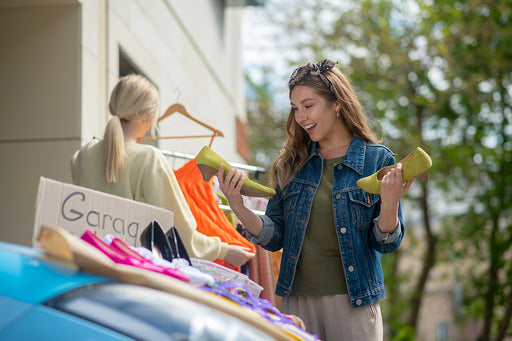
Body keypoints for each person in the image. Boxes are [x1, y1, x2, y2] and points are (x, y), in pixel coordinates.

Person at [216, 59, 414, 340]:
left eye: (308, 106)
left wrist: (391, 203)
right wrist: (238, 206)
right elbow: (274, 237)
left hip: (354, 302)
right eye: (295, 109)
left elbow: (386, 242)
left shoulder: (377, 159)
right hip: (297, 302)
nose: (300, 117)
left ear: (336, 103)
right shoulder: (291, 163)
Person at [71, 74, 254, 268]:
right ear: (148, 117)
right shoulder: (149, 159)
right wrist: (224, 250)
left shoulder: (82, 156)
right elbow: (178, 232)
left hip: (87, 266)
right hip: (132, 274)